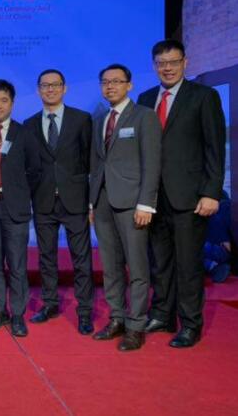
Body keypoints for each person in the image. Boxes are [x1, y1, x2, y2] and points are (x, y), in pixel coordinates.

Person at [137, 39, 226, 348]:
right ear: (154, 66)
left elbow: (215, 148)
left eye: (173, 62)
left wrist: (212, 192)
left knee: (188, 265)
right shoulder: (146, 98)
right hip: (154, 198)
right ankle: (162, 314)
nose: (168, 68)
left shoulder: (204, 96)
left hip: (190, 198)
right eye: (162, 63)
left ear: (185, 63)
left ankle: (190, 324)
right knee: (159, 262)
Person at [90, 64, 161, 351]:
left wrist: (146, 203)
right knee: (110, 267)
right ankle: (117, 318)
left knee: (138, 268)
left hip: (133, 204)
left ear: (129, 85)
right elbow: (97, 163)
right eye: (105, 82)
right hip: (103, 202)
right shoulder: (99, 119)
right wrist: (91, 202)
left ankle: (135, 325)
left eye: (117, 81)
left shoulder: (144, 116)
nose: (110, 86)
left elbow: (152, 163)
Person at [24, 69, 94, 335]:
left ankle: (84, 312)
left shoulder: (81, 119)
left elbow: (89, 161)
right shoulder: (30, 124)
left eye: (55, 85)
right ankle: (50, 304)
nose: (50, 89)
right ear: (38, 90)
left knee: (82, 260)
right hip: (43, 201)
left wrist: (91, 202)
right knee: (46, 258)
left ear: (65, 88)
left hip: (75, 200)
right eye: (45, 85)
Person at [0, 80, 41, 336]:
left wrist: (20, 194)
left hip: (14, 208)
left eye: (3, 100)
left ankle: (18, 315)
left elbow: (35, 170)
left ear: (12, 104)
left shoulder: (24, 134)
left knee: (17, 264)